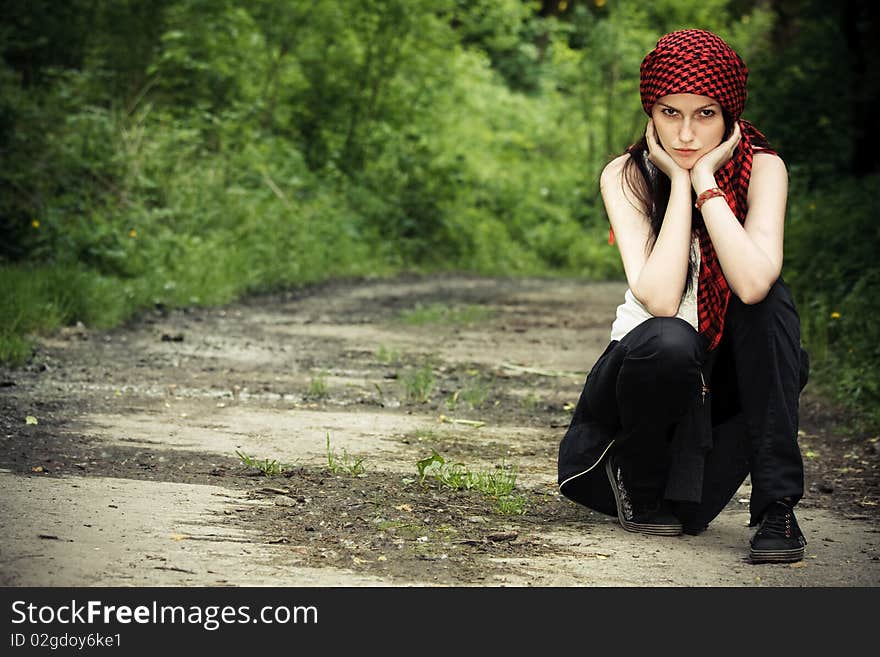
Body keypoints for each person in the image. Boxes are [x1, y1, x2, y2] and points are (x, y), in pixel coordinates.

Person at [557, 29, 810, 564]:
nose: (687, 134)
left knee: (770, 306)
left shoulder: (765, 168)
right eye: (670, 113)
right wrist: (676, 184)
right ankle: (636, 478)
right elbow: (662, 299)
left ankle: (777, 508)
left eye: (706, 113)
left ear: (731, 115)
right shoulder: (626, 173)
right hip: (641, 377)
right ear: (650, 112)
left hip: (714, 389)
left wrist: (708, 187)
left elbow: (751, 284)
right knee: (670, 340)